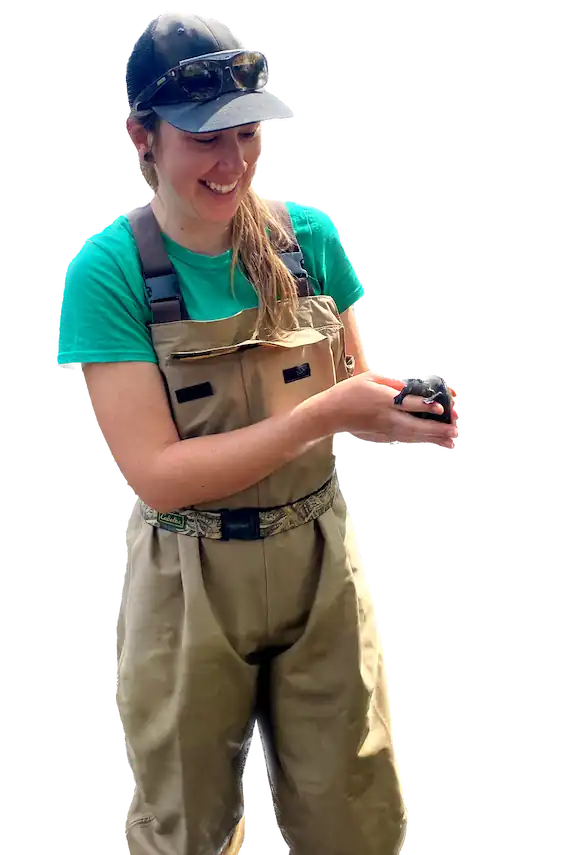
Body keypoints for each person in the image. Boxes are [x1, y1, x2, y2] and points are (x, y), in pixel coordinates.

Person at [55, 10, 459, 855]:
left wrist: (411, 418)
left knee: (354, 815)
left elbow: (354, 389)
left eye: (249, 132)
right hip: (188, 581)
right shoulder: (106, 273)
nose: (233, 162)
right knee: (186, 827)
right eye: (204, 138)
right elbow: (158, 475)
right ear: (140, 136)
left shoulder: (308, 239)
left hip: (318, 561)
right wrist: (327, 415)